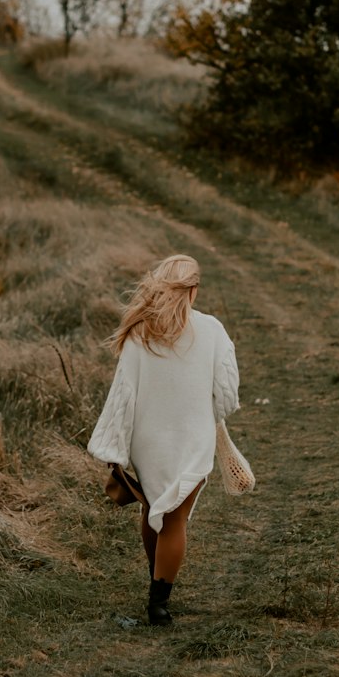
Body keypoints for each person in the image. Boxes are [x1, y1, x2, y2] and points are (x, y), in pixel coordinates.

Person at [88, 253, 240, 626]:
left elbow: (123, 394)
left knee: (153, 508)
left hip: (148, 441)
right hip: (192, 437)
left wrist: (116, 447)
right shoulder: (212, 330)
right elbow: (227, 394)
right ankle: (159, 601)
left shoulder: (140, 333)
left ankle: (157, 583)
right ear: (194, 289)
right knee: (175, 520)